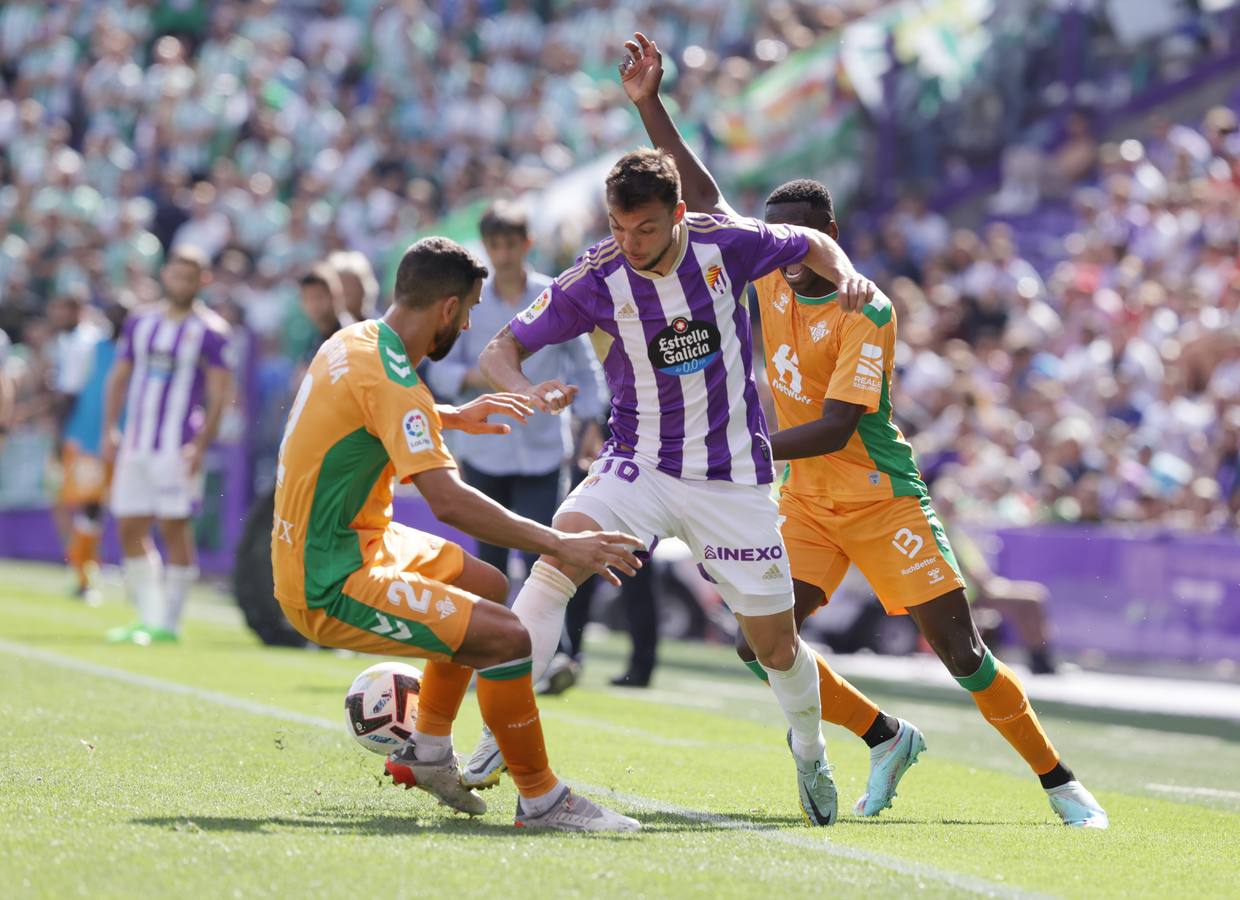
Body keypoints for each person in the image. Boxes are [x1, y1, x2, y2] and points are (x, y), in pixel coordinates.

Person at [619, 32, 1106, 828]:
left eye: (800, 242)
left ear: (830, 232)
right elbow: (703, 201)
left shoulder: (864, 305)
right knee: (756, 641)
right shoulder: (767, 276)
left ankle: (1059, 781)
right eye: (777, 244)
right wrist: (650, 105)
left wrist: (735, 447)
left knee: (962, 654)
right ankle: (884, 736)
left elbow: (839, 425)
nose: (784, 259)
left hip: (880, 497)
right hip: (806, 505)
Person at [462, 142, 880, 826]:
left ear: (678, 214)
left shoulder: (727, 244)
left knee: (774, 646)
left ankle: (808, 747)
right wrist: (524, 390)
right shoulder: (597, 275)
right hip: (640, 464)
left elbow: (807, 239)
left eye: (646, 229)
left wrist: (851, 274)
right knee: (559, 553)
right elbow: (498, 350)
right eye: (618, 228)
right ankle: (499, 733)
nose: (629, 243)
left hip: (733, 478)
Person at [270, 236, 642, 832]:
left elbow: (373, 408)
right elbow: (449, 503)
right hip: (330, 577)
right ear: (447, 308)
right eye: (469, 311)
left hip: (358, 540)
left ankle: (426, 747)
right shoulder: (392, 379)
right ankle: (543, 801)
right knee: (507, 637)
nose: (469, 324)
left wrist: (453, 415)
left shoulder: (358, 341)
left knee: (488, 584)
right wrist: (559, 544)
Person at [426, 200, 605, 587]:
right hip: (484, 448)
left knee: (544, 556)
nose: (503, 255)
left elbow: (587, 368)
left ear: (528, 244)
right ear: (485, 247)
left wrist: (591, 421)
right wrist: (490, 376)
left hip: (543, 449)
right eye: (495, 245)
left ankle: (551, 646)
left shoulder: (554, 295)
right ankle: (499, 644)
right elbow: (439, 369)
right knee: (490, 562)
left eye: (511, 244)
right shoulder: (468, 299)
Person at [101, 247, 233, 645]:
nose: (181, 282)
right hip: (137, 442)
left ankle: (169, 624)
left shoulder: (211, 330)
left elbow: (219, 394)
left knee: (174, 527)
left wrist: (200, 445)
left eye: (189, 276)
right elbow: (120, 376)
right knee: (128, 526)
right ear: (165, 276)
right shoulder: (141, 321)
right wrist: (109, 429)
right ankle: (148, 616)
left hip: (177, 446)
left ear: (202, 280)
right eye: (175, 274)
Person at [53, 298, 129, 605]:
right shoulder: (90, 348)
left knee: (112, 509)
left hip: (124, 441)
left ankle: (99, 571)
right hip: (87, 438)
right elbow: (71, 391)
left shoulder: (138, 351)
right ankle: (84, 575)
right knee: (89, 506)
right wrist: (61, 434)